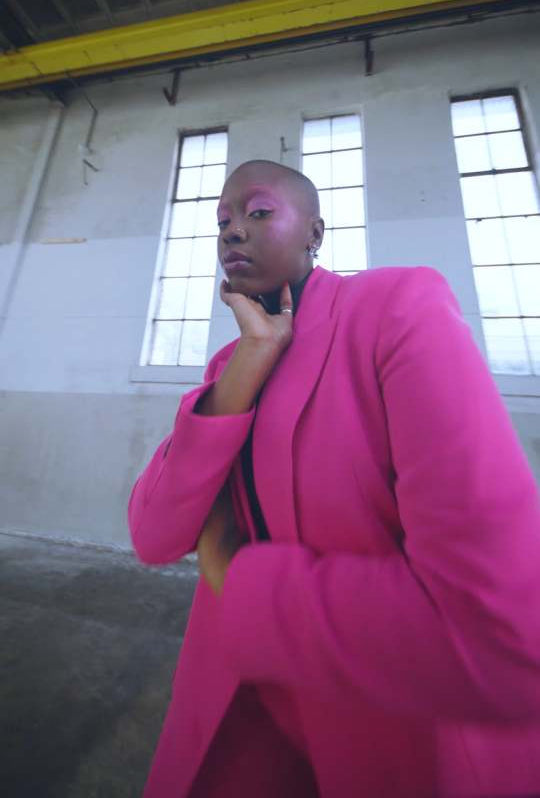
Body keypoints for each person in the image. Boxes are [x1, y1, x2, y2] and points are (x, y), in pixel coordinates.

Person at [128, 159, 540, 798]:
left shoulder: (394, 309)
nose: (233, 230)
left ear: (316, 233)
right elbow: (154, 534)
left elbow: (501, 633)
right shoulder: (229, 365)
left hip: (393, 736)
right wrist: (251, 359)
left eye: (258, 211)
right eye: (222, 221)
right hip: (237, 731)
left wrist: (237, 576)